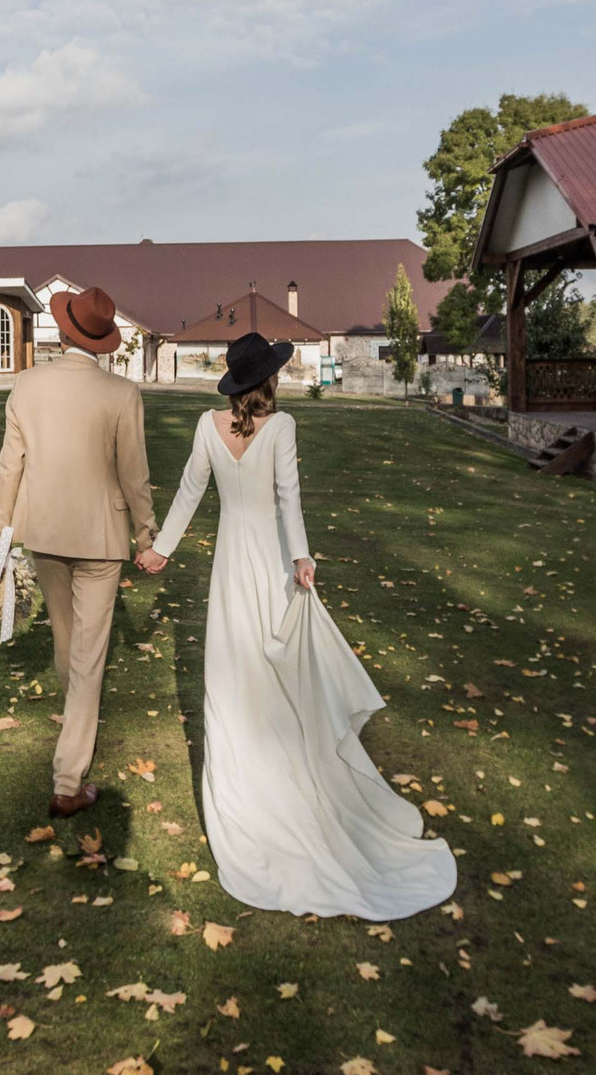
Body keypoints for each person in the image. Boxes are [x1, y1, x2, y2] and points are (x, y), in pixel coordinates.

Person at [141, 331, 456, 920]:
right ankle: (281, 773)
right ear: (268, 380)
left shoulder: (208, 426)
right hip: (269, 564)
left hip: (231, 568)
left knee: (232, 674)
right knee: (273, 673)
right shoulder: (281, 428)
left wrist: (162, 548)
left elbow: (188, 494)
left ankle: (245, 784)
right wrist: (301, 558)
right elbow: (288, 500)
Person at [0, 285, 156, 818]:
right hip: (102, 536)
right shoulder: (122, 393)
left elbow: (8, 466)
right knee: (83, 654)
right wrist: (147, 535)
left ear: (63, 332)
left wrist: (0, 537)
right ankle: (67, 779)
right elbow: (136, 476)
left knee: (69, 646)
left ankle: (70, 761)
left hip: (44, 531)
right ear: (102, 340)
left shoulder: (26, 385)